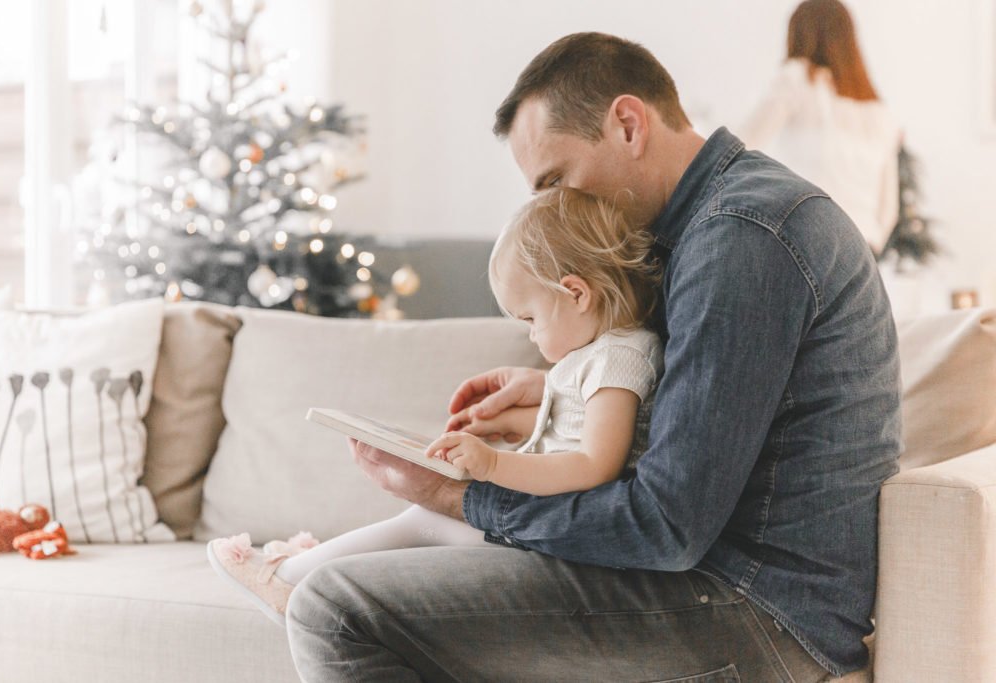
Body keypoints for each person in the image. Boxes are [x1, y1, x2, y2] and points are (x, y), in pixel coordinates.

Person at [287, 32, 900, 681]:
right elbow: (696, 425)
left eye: (556, 180)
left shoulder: (742, 238)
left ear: (628, 124)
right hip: (724, 581)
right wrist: (564, 390)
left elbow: (665, 526)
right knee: (384, 582)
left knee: (334, 608)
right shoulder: (709, 224)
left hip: (756, 611)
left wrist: (463, 498)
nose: (554, 209)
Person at [206, 186, 664, 626]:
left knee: (424, 518)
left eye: (530, 318)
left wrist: (492, 464)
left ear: (577, 294)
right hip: (543, 525)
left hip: (557, 539)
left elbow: (594, 464)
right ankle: (305, 571)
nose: (530, 335)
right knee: (422, 521)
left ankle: (288, 581)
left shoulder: (617, 359)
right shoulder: (600, 352)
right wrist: (516, 426)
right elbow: (583, 431)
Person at [740, 0, 901, 255]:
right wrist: (872, 246)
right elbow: (888, 208)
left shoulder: (797, 78)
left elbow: (741, 146)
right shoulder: (879, 111)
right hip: (862, 249)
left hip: (807, 240)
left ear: (799, 35)